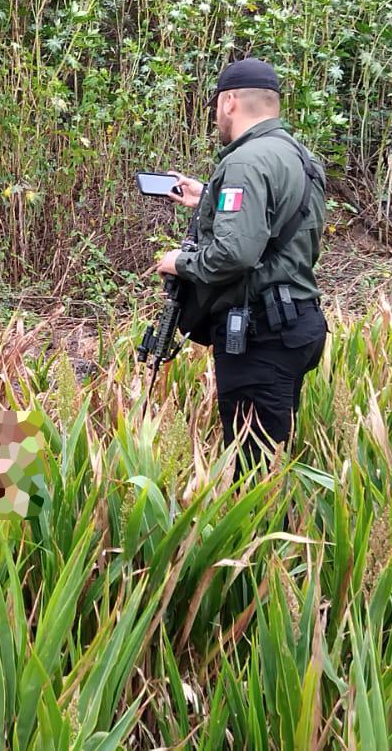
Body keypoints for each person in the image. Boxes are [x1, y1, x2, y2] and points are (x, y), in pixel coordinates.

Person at [155, 57, 328, 473]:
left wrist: (181, 262)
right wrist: (210, 197)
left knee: (254, 474)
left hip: (259, 336)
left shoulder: (244, 162)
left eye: (217, 104)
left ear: (229, 101)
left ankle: (267, 539)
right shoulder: (300, 156)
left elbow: (235, 254)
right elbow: (277, 227)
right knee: (272, 456)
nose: (217, 113)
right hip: (297, 324)